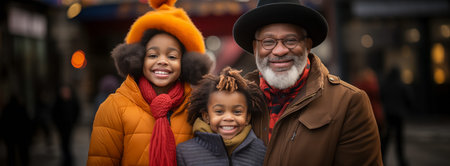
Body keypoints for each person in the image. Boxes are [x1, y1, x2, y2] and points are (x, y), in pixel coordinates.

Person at [232, 0, 383, 165]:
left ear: (307, 45)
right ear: (255, 48)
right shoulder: (233, 102)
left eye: (290, 40)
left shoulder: (348, 103)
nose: (280, 50)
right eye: (268, 42)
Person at [87, 0, 212, 165]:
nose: (162, 61)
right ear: (138, 59)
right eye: (153, 55)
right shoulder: (113, 107)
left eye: (172, 56)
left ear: (186, 63)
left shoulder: (197, 109)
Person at [176, 67, 267, 166]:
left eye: (237, 111)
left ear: (247, 118)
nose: (228, 118)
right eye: (219, 111)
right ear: (206, 117)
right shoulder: (185, 152)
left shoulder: (260, 151)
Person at [380, 67, 411, 166]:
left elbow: (381, 97)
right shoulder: (402, 85)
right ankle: (401, 161)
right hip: (399, 116)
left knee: (386, 139)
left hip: (388, 115)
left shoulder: (385, 85)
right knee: (399, 140)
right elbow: (409, 99)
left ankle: (382, 160)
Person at [52, 85, 80, 166]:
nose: (66, 93)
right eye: (64, 92)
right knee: (63, 143)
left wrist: (74, 121)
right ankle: (66, 158)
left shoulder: (73, 101)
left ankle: (68, 159)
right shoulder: (58, 102)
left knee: (68, 143)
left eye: (67, 92)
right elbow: (54, 114)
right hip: (61, 127)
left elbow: (77, 111)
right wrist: (57, 124)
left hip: (69, 126)